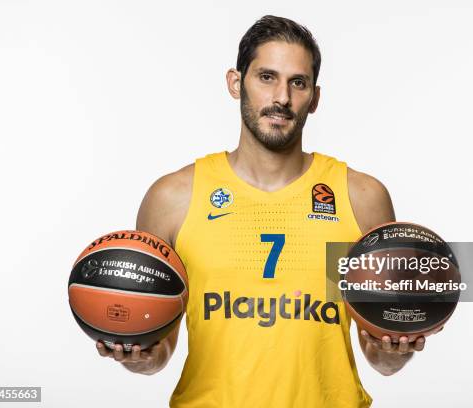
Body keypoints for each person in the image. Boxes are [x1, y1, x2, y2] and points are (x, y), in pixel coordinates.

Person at [96, 15, 428, 407]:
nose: (282, 98)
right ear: (236, 83)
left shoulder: (360, 197)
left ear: (315, 98)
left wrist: (395, 351)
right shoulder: (174, 198)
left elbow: (379, 357)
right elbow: (160, 351)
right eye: (267, 77)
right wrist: (139, 356)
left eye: (298, 83)